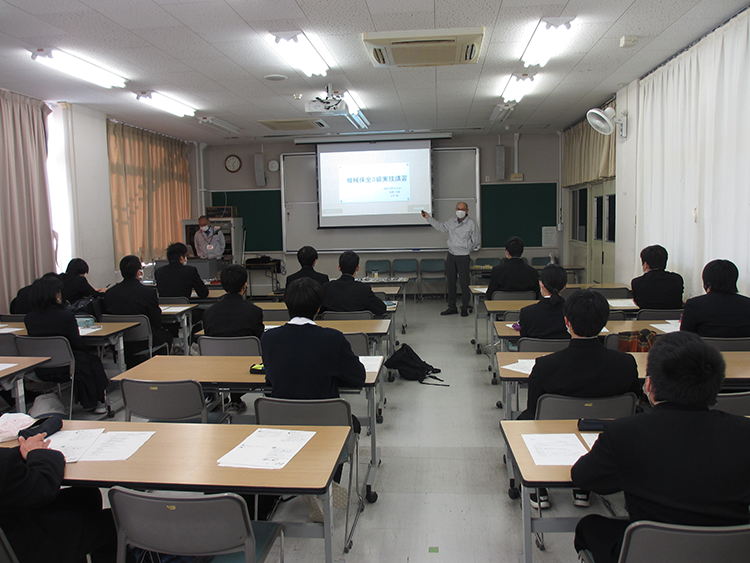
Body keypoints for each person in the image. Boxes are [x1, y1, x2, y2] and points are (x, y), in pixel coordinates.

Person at [571, 331, 750, 563]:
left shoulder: (625, 432)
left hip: (649, 552)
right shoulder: (744, 432)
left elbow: (583, 477)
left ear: (650, 384)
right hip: (730, 552)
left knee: (589, 526)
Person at [518, 289, 640, 509]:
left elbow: (534, 412)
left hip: (556, 435)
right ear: (604, 322)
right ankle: (583, 488)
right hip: (606, 434)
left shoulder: (546, 366)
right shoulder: (626, 363)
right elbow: (633, 402)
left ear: (567, 322)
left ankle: (540, 487)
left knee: (523, 421)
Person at [0, 432, 117, 563]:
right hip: (19, 549)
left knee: (84, 495)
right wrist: (38, 453)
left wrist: (24, 451)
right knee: (114, 522)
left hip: (9, 521)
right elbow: (42, 487)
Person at [262, 277, 365, 399]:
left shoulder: (268, 338)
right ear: (318, 308)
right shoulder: (333, 338)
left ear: (287, 304)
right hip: (323, 416)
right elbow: (358, 378)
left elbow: (270, 380)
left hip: (282, 415)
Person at [24, 276, 109, 413]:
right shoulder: (65, 316)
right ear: (56, 295)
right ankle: (98, 401)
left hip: (40, 367)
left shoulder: (29, 318)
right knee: (93, 361)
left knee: (87, 361)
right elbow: (77, 344)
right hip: (67, 366)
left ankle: (96, 401)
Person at [203, 265, 264, 412]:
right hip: (248, 364)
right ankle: (237, 399)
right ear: (245, 285)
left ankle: (218, 398)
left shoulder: (209, 312)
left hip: (216, 363)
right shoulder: (254, 311)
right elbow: (259, 339)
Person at [104, 255, 172, 368]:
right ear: (138, 272)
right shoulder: (148, 292)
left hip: (117, 341)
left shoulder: (110, 293)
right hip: (143, 341)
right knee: (166, 336)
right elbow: (156, 321)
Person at [422, 202, 479, 316]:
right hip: (451, 255)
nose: (460, 210)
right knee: (451, 282)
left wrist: (467, 249)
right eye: (458, 208)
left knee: (464, 283)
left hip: (463, 256)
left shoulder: (471, 223)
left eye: (462, 209)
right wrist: (428, 218)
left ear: (467, 211)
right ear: (455, 209)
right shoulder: (451, 221)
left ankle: (464, 307)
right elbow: (440, 226)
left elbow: (476, 241)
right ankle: (452, 306)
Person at [681, 259, 750, 337]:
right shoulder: (747, 304)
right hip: (743, 349)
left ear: (707, 282)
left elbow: (684, 337)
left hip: (706, 349)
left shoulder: (695, 304)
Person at [321, 251, 386, 317]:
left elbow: (319, 310)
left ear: (339, 268)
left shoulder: (327, 288)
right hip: (360, 326)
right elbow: (381, 309)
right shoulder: (364, 289)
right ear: (357, 268)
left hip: (332, 326)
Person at [518, 264, 570, 340]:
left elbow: (525, 342)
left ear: (541, 284)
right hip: (566, 351)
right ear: (565, 286)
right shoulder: (574, 311)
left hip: (536, 351)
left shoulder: (527, 313)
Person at [630, 245, 684, 309]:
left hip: (646, 318)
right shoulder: (677, 279)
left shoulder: (637, 282)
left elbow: (637, 303)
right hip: (673, 318)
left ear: (646, 264)